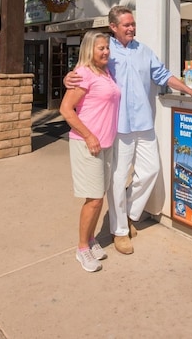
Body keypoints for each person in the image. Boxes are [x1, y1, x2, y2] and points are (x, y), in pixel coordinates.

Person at [65, 6, 192, 255]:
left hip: (144, 122)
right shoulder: (104, 49)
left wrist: (189, 90)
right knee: (118, 179)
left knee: (150, 171)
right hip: (117, 126)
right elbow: (86, 69)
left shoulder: (143, 51)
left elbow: (162, 75)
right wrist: (69, 77)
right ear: (113, 27)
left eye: (133, 24)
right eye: (126, 25)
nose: (131, 28)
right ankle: (119, 230)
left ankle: (128, 213)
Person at [60, 31, 121, 272]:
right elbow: (66, 109)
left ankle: (92, 239)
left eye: (107, 48)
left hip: (105, 143)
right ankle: (82, 248)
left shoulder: (105, 72)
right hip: (88, 144)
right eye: (101, 49)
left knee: (98, 197)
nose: (106, 52)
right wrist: (88, 135)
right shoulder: (83, 74)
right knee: (94, 199)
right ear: (89, 50)